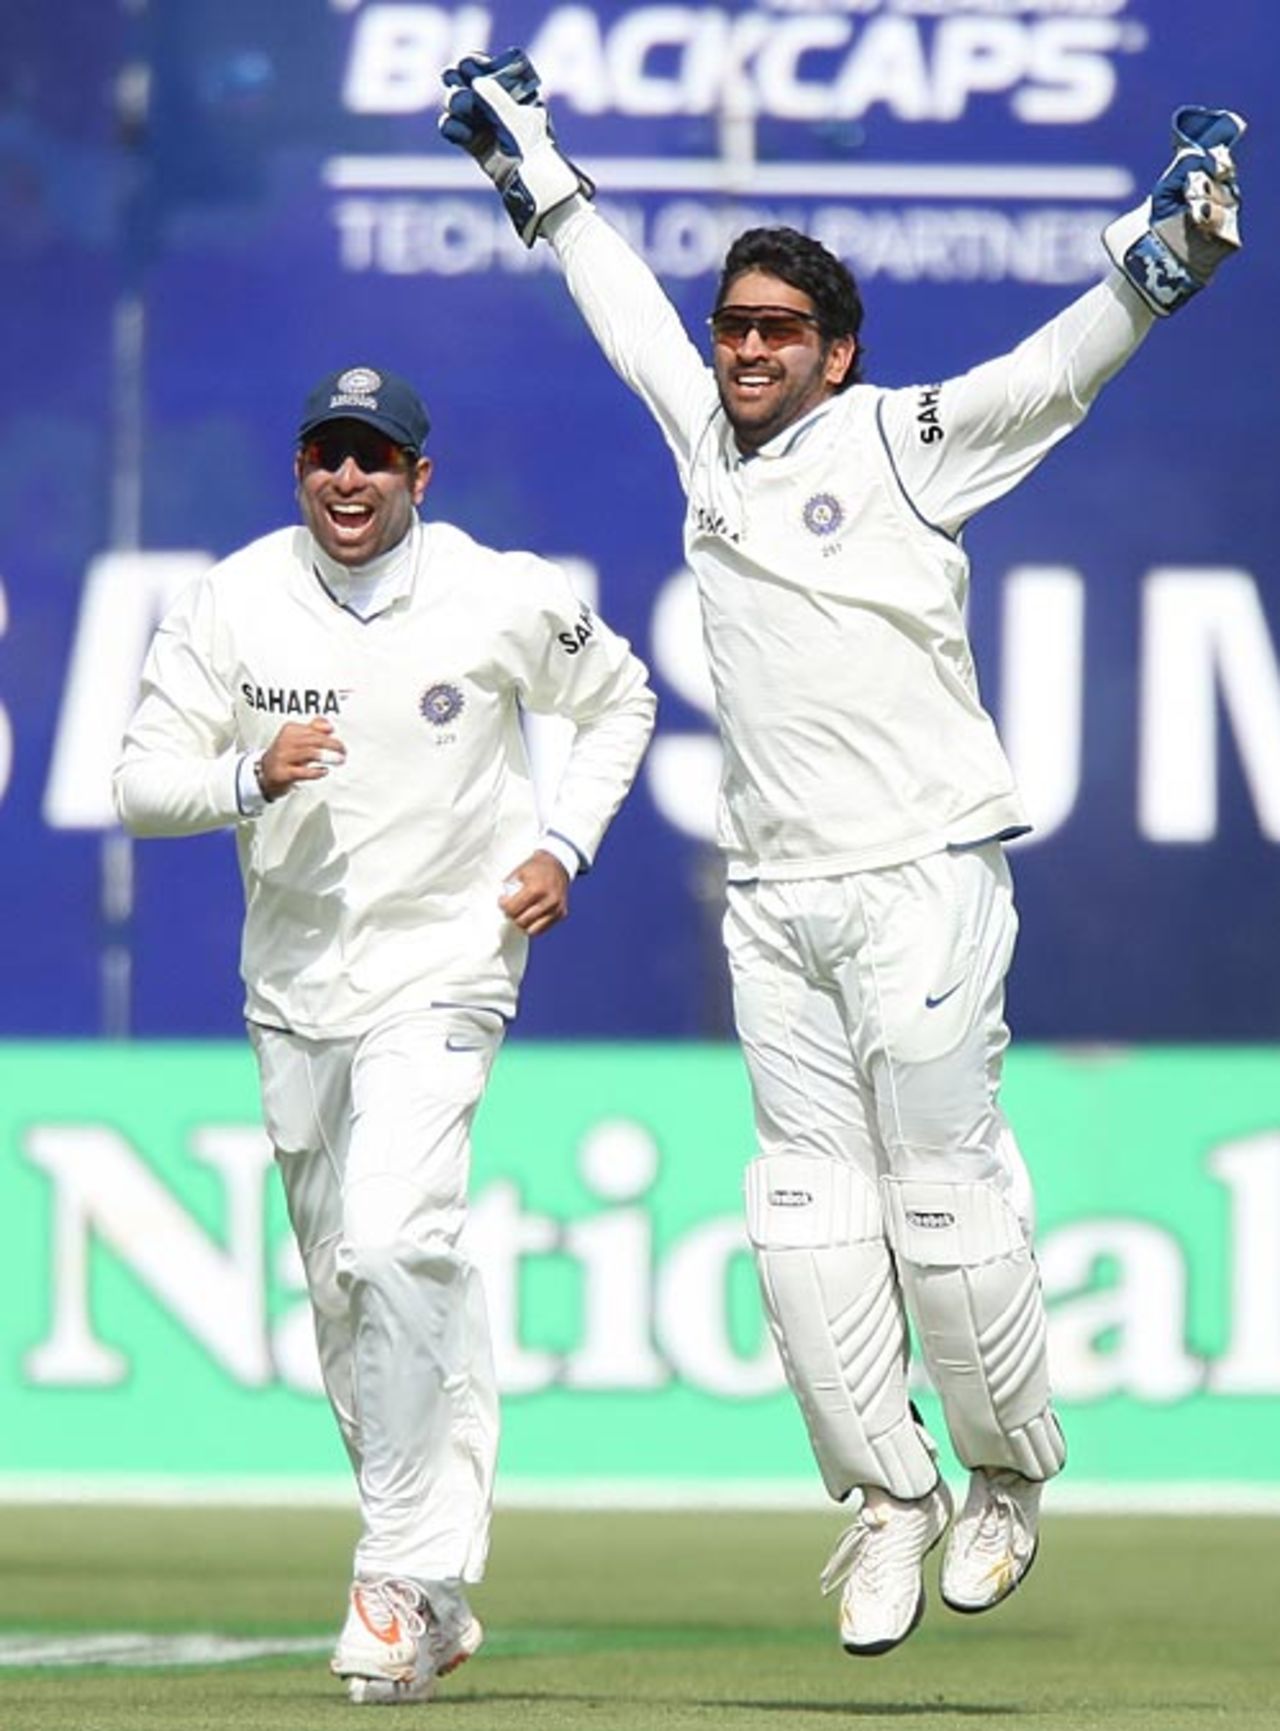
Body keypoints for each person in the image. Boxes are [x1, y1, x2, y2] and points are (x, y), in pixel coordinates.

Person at [440, 61, 1246, 1656]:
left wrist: (1165, 258)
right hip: (774, 895)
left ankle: (1006, 1474)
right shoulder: (705, 445)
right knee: (805, 1216)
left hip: (923, 874)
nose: (745, 350)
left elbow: (1047, 377)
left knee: (940, 1196)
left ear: (837, 351)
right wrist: (528, 160)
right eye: (735, 327)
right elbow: (623, 313)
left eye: (779, 332)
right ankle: (888, 1496)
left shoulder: (898, 441)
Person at [113, 364, 656, 1704]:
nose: (348, 480)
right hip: (296, 983)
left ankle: (399, 1571)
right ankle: (438, 1593)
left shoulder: (496, 590)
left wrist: (565, 842)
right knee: (350, 1292)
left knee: (398, 1234)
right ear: (300, 469)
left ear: (421, 475)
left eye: (374, 458)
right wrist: (248, 775)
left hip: (450, 958)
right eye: (328, 456)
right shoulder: (232, 600)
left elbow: (621, 697)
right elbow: (138, 785)